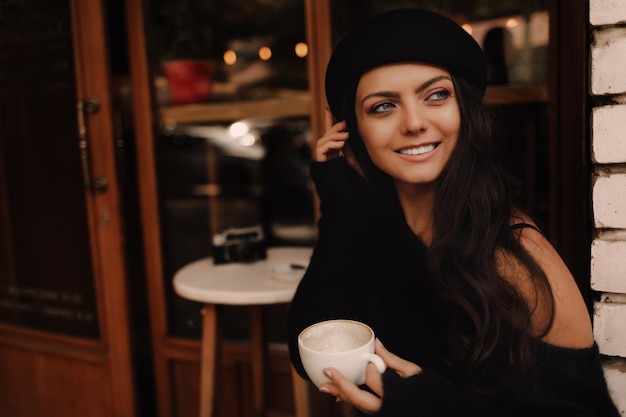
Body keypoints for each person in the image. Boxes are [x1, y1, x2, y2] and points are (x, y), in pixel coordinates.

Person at [287, 8, 620, 417]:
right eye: (383, 106)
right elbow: (311, 347)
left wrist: (428, 404)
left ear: (463, 108)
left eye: (436, 95)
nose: (414, 122)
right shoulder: (373, 220)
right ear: (348, 127)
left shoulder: (511, 252)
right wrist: (339, 198)